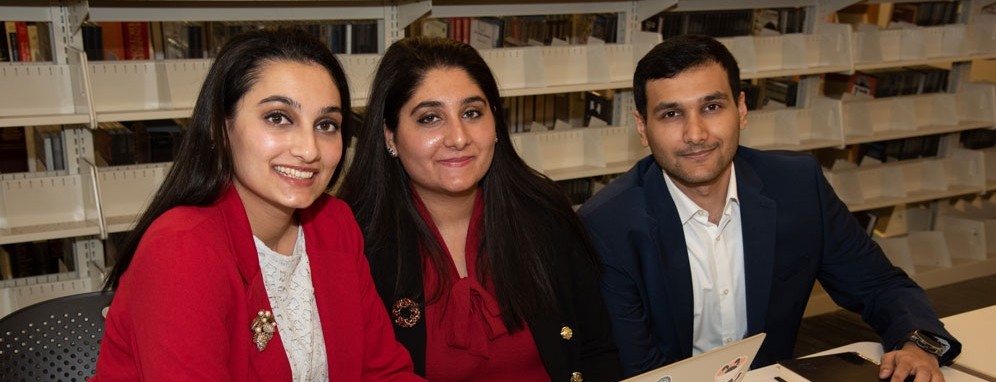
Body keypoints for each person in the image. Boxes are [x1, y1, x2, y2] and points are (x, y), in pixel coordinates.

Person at [577, 34, 961, 381]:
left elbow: (878, 284)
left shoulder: (796, 186)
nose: (695, 134)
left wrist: (918, 344)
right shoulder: (607, 226)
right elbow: (637, 370)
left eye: (712, 106)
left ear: (741, 109)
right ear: (643, 128)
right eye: (671, 114)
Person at [92, 28, 421, 381]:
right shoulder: (181, 249)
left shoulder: (334, 222)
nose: (309, 149)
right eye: (278, 118)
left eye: (326, 124)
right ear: (221, 128)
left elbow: (383, 372)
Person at [339, 36, 622, 382]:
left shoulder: (544, 214)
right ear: (389, 136)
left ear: (496, 124)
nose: (459, 137)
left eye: (472, 113)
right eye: (430, 118)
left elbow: (597, 351)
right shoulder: (355, 242)